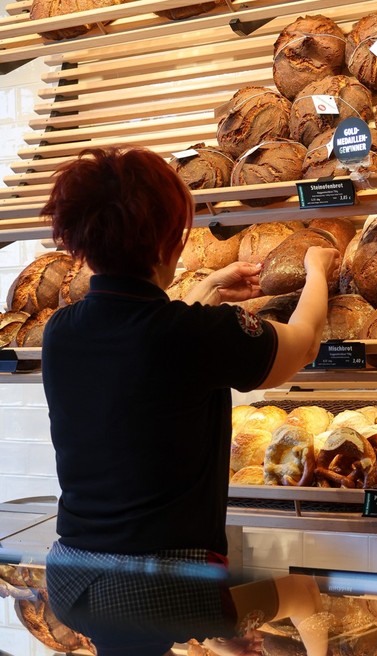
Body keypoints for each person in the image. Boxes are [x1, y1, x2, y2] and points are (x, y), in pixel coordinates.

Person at [40, 145, 339, 656]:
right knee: (302, 592)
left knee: (199, 632)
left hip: (72, 578)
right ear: (168, 241)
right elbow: (302, 344)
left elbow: (145, 350)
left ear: (81, 241)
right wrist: (316, 270)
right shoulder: (193, 334)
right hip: (164, 589)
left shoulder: (60, 332)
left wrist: (203, 289)